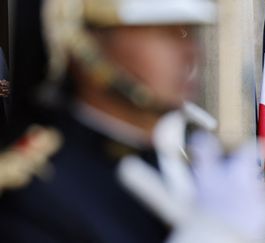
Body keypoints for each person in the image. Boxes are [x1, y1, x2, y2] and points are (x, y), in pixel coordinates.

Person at [0, 0, 219, 242]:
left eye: (189, 32)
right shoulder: (35, 193)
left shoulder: (183, 166)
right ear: (85, 46)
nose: (190, 52)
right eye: (163, 33)